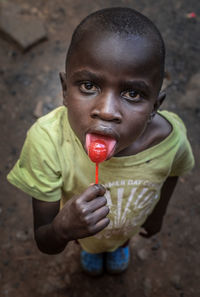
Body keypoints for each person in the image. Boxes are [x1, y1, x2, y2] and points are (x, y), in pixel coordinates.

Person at [7, 7, 194, 276]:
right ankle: (90, 250)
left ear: (156, 106)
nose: (106, 110)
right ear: (64, 90)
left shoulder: (170, 140)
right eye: (88, 86)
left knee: (121, 238)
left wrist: (157, 214)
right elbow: (44, 238)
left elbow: (173, 174)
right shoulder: (46, 142)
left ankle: (119, 247)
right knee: (90, 243)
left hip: (128, 226)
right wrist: (63, 229)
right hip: (81, 232)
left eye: (132, 93)